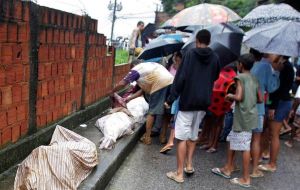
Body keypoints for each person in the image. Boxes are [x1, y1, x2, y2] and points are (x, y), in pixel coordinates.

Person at [165, 29, 220, 183]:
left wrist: (170, 99)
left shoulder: (189, 54)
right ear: (209, 41)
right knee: (193, 135)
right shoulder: (215, 57)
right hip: (203, 103)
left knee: (181, 138)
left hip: (188, 101)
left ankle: (179, 174)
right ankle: (189, 165)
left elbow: (180, 78)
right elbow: (215, 75)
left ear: (197, 40)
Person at [212, 54, 262, 188]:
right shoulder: (254, 78)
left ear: (241, 65)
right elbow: (260, 99)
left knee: (245, 147)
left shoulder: (239, 78)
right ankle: (228, 168)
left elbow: (239, 96)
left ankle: (246, 179)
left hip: (242, 117)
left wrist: (230, 96)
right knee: (230, 139)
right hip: (251, 115)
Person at [109, 59, 174, 145]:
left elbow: (122, 83)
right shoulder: (148, 67)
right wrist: (129, 98)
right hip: (171, 82)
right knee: (167, 110)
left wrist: (112, 91)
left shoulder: (136, 69)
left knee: (152, 112)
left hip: (160, 84)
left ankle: (147, 138)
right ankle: (162, 137)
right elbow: (142, 91)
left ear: (133, 66)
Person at [259, 56, 294, 172]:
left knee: (274, 134)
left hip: (280, 103)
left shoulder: (285, 67)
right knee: (268, 131)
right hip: (278, 102)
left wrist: (273, 107)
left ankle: (272, 164)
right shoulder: (283, 65)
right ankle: (263, 154)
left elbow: (280, 89)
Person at [249, 49, 280, 178]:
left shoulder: (250, 64)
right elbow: (271, 88)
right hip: (259, 107)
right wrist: (276, 74)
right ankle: (254, 169)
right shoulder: (266, 66)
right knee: (256, 139)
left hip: (246, 105)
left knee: (246, 138)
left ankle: (236, 164)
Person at [160, 52, 183, 153]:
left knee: (175, 118)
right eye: (174, 57)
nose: (175, 58)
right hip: (169, 91)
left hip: (178, 95)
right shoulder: (170, 66)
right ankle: (163, 136)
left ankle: (171, 140)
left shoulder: (184, 69)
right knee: (166, 116)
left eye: (176, 57)